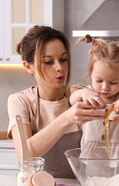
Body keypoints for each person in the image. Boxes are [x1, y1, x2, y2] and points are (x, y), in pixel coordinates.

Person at [7, 26, 106, 178]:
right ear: (29, 67)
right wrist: (67, 118)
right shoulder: (20, 101)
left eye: (63, 59)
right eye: (48, 62)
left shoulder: (79, 95)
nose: (59, 68)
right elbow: (24, 155)